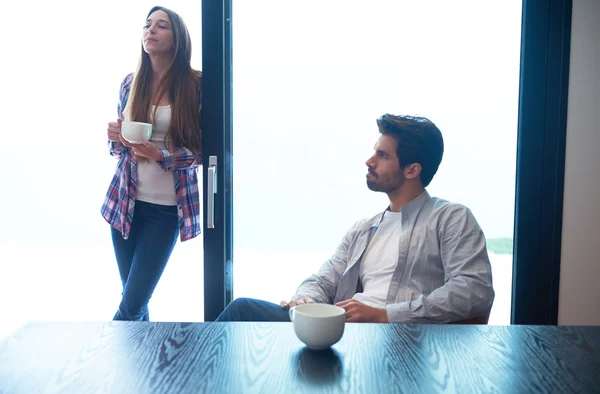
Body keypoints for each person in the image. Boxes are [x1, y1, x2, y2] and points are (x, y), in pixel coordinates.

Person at [216, 114, 494, 324]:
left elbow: (473, 290)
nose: (369, 161)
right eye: (374, 151)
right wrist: (306, 300)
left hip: (404, 337)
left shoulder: (451, 218)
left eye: (382, 155)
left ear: (412, 170)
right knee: (243, 310)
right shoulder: (364, 229)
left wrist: (384, 315)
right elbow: (323, 280)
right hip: (345, 329)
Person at [101, 6, 202, 321]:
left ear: (177, 39)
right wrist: (115, 138)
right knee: (133, 300)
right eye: (147, 25)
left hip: (165, 210)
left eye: (161, 26)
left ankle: (100, 360)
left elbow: (204, 151)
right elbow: (118, 152)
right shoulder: (130, 83)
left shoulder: (196, 85)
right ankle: (141, 371)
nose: (151, 31)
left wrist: (163, 156)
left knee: (131, 306)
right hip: (125, 204)